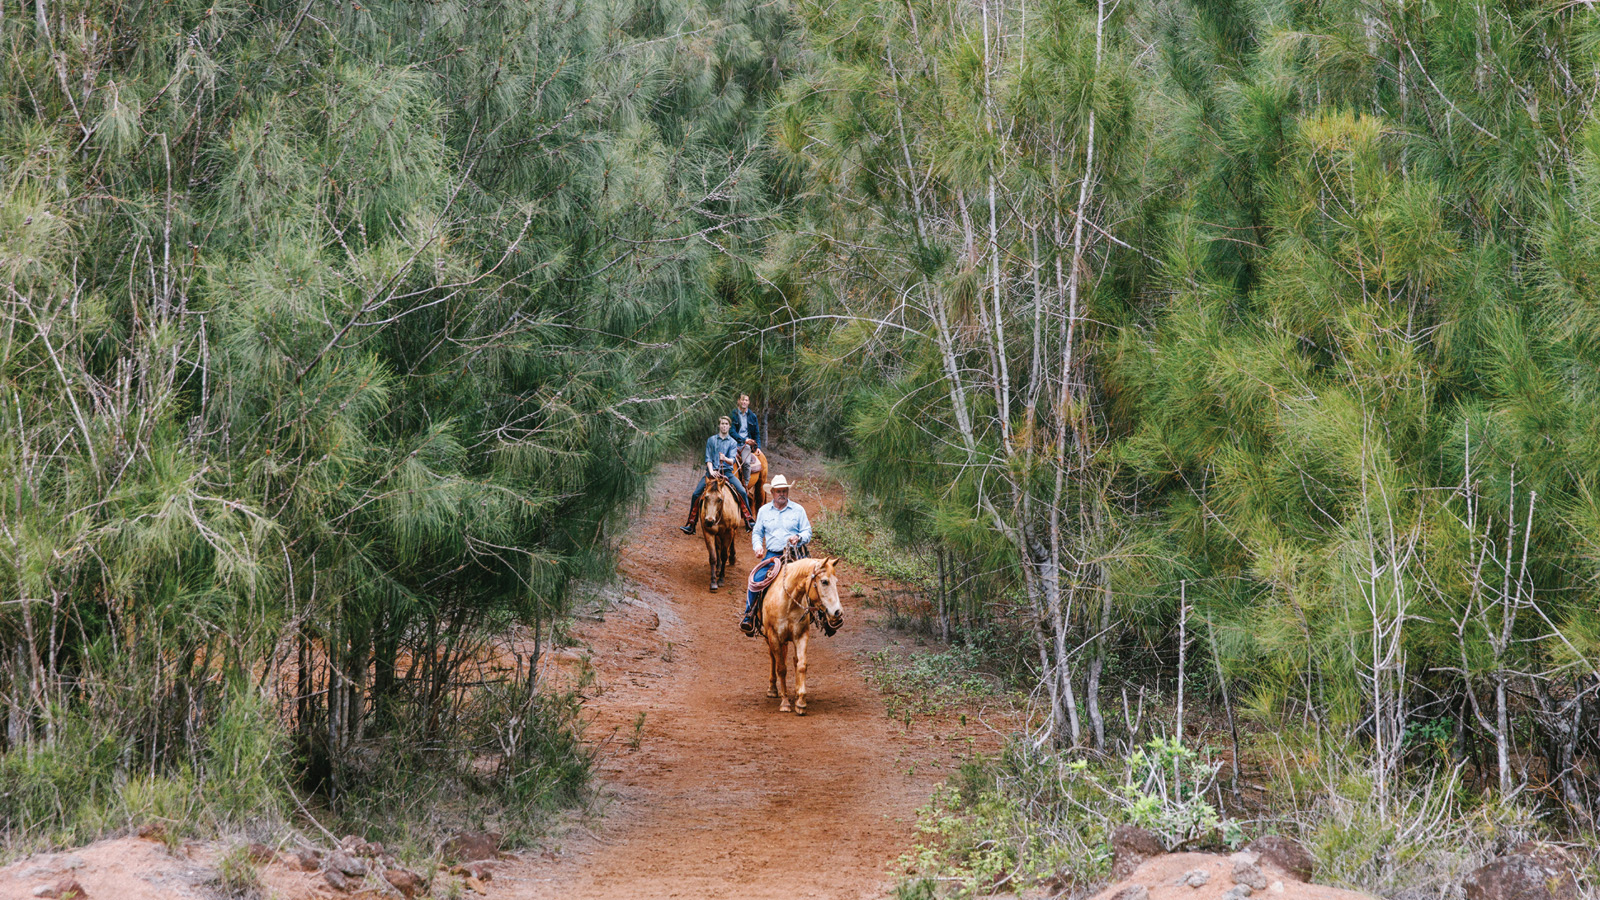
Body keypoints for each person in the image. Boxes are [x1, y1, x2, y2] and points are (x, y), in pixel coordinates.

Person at [741, 474, 811, 636]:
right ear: (772, 492)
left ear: (788, 492)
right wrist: (758, 547)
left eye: (784, 491)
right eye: (778, 491)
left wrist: (799, 537)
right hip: (772, 555)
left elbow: (807, 531)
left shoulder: (798, 510)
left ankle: (823, 616)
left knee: (815, 579)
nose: (782, 494)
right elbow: (757, 533)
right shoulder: (764, 511)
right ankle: (749, 615)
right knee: (756, 580)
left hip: (796, 553)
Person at [681, 416, 755, 534]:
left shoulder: (732, 442)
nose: (724, 426)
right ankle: (691, 524)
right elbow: (708, 458)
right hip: (712, 472)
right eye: (722, 423)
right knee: (696, 494)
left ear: (729, 426)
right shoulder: (711, 440)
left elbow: (732, 461)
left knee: (741, 491)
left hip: (727, 473)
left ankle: (749, 519)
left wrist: (724, 458)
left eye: (726, 424)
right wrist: (711, 471)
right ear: (719, 425)